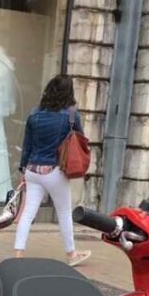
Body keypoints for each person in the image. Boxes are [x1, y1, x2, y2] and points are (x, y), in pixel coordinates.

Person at [14, 74, 90, 267]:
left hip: (32, 170)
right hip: (54, 171)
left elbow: (27, 144)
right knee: (64, 213)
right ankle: (72, 254)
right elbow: (79, 138)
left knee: (28, 213)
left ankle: (18, 252)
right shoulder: (71, 114)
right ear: (69, 92)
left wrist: (23, 168)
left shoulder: (35, 113)